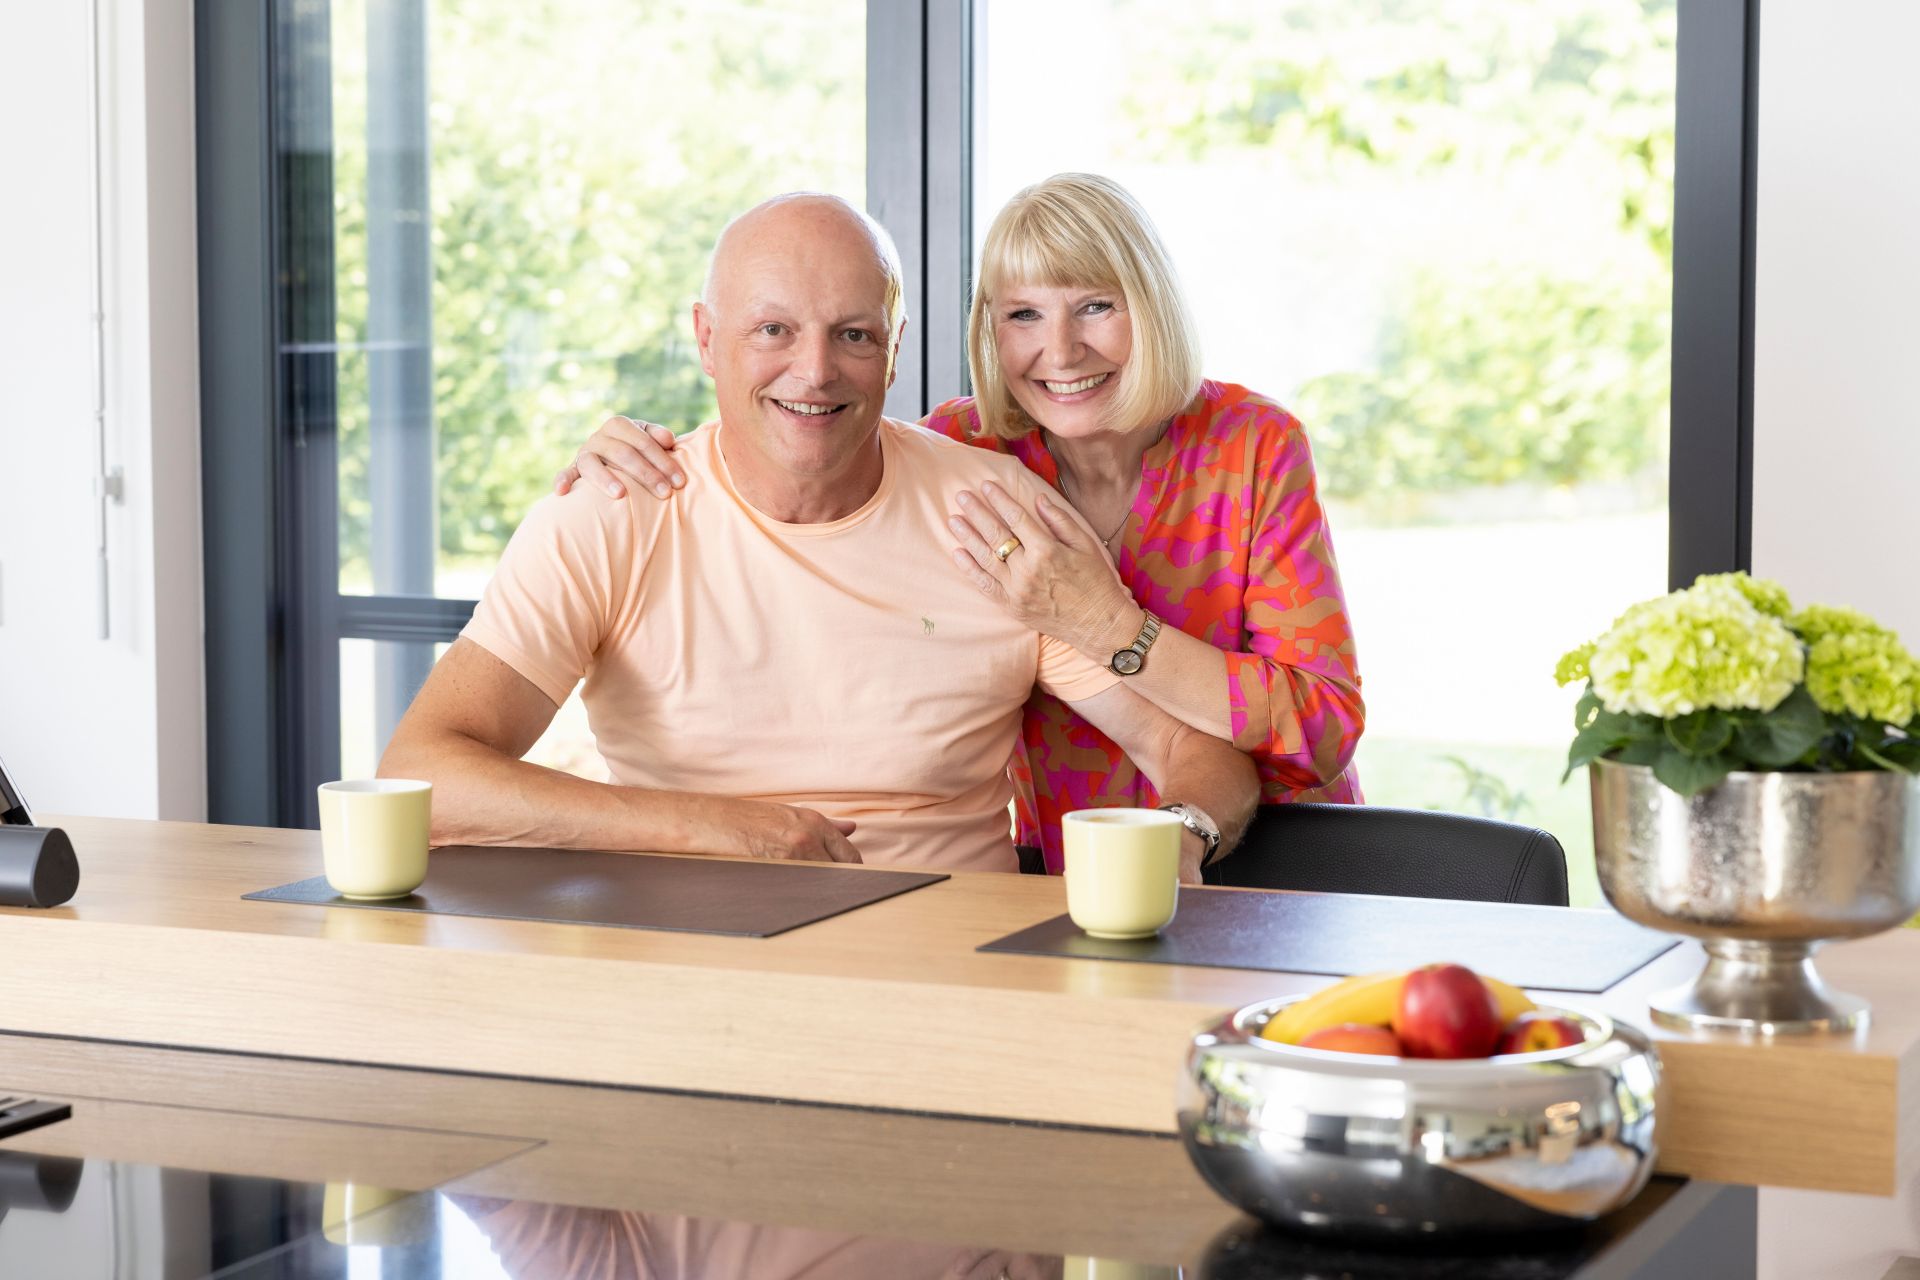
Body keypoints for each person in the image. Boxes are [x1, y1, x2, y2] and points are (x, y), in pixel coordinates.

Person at [381, 193, 1255, 881]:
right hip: (683, 962)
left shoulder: (998, 516)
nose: (815, 370)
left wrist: (1180, 836)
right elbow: (420, 781)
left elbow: (1191, 751)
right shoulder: (611, 511)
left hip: (950, 969)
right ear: (706, 339)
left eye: (854, 335)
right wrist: (714, 828)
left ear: (897, 347)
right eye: (773, 330)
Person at [556, 174, 1364, 873]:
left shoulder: (1252, 445)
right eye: (1022, 316)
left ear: (1150, 309)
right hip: (1069, 860)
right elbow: (809, 432)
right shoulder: (968, 449)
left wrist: (1109, 625)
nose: (1061, 350)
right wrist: (633, 448)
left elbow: (1321, 724)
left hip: (1277, 843)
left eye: (1094, 307)